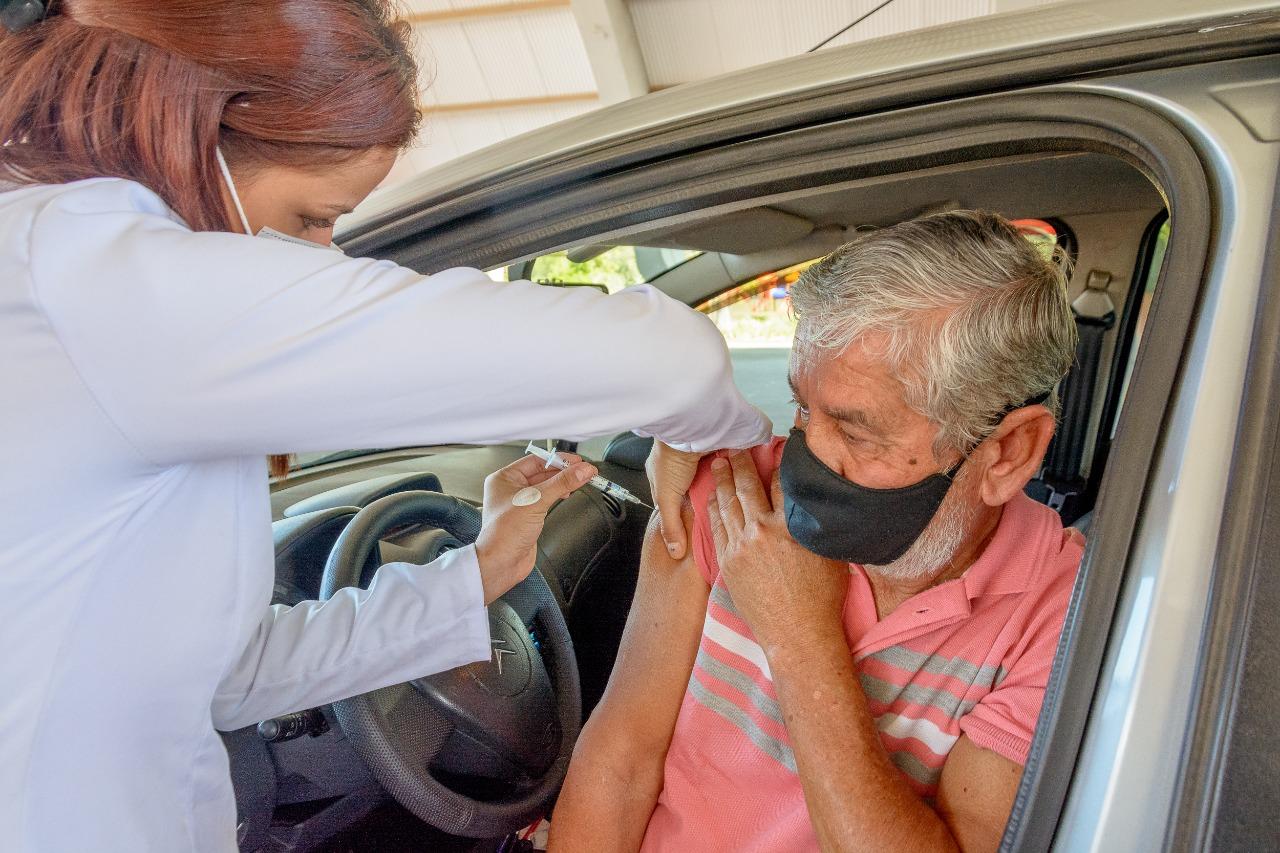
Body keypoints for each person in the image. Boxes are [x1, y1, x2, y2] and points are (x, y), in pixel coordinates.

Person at [0, 3, 770, 851]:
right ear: (195, 134)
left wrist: (474, 573)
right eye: (310, 218)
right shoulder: (102, 289)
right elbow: (672, 363)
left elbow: (223, 675)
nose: (324, 256)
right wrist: (709, 440)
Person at [551, 211, 1082, 853]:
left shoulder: (1057, 618)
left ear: (1009, 452)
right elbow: (621, 757)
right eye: (803, 408)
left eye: (857, 433)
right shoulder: (732, 492)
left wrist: (799, 634)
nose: (804, 460)